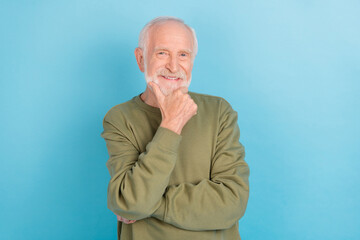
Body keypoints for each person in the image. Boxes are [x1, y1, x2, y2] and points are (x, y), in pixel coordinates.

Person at [101, 16, 250, 240]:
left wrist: (148, 204)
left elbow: (232, 201)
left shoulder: (219, 112)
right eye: (162, 53)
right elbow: (131, 202)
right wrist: (171, 124)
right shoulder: (120, 118)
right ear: (141, 59)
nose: (173, 66)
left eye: (183, 55)